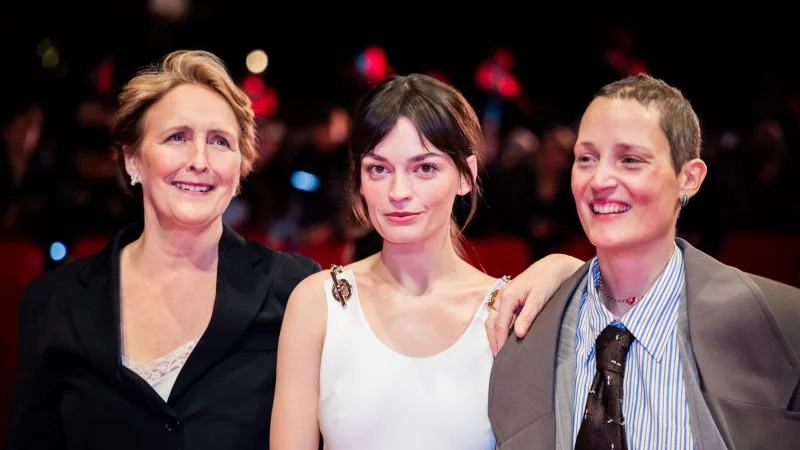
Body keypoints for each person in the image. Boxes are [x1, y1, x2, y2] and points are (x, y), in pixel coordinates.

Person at [5, 50, 322, 450]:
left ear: (241, 166)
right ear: (133, 159)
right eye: (177, 137)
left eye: (220, 142)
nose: (199, 160)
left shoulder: (297, 289)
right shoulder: (52, 302)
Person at [270, 74, 584, 450]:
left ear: (466, 175)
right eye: (379, 169)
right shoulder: (317, 304)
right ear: (358, 177)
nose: (399, 192)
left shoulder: (509, 310)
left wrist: (570, 270)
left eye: (425, 168)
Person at [488, 74, 800, 449]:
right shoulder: (526, 329)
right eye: (586, 158)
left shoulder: (782, 327)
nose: (600, 178)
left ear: (689, 178)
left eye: (631, 159)